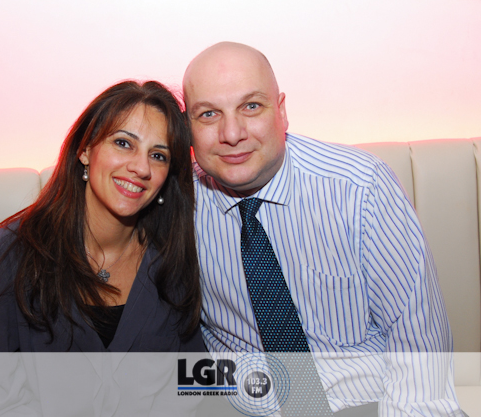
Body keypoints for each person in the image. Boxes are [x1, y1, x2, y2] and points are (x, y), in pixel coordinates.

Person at [184, 42, 465, 416]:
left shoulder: (360, 188)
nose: (232, 133)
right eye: (208, 114)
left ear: (282, 111)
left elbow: (418, 347)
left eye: (251, 106)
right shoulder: (176, 204)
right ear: (188, 128)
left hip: (366, 404)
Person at [0, 81, 205, 416]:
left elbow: (194, 383)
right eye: (123, 143)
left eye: (158, 156)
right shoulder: (10, 254)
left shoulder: (173, 255)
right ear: (85, 149)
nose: (141, 167)